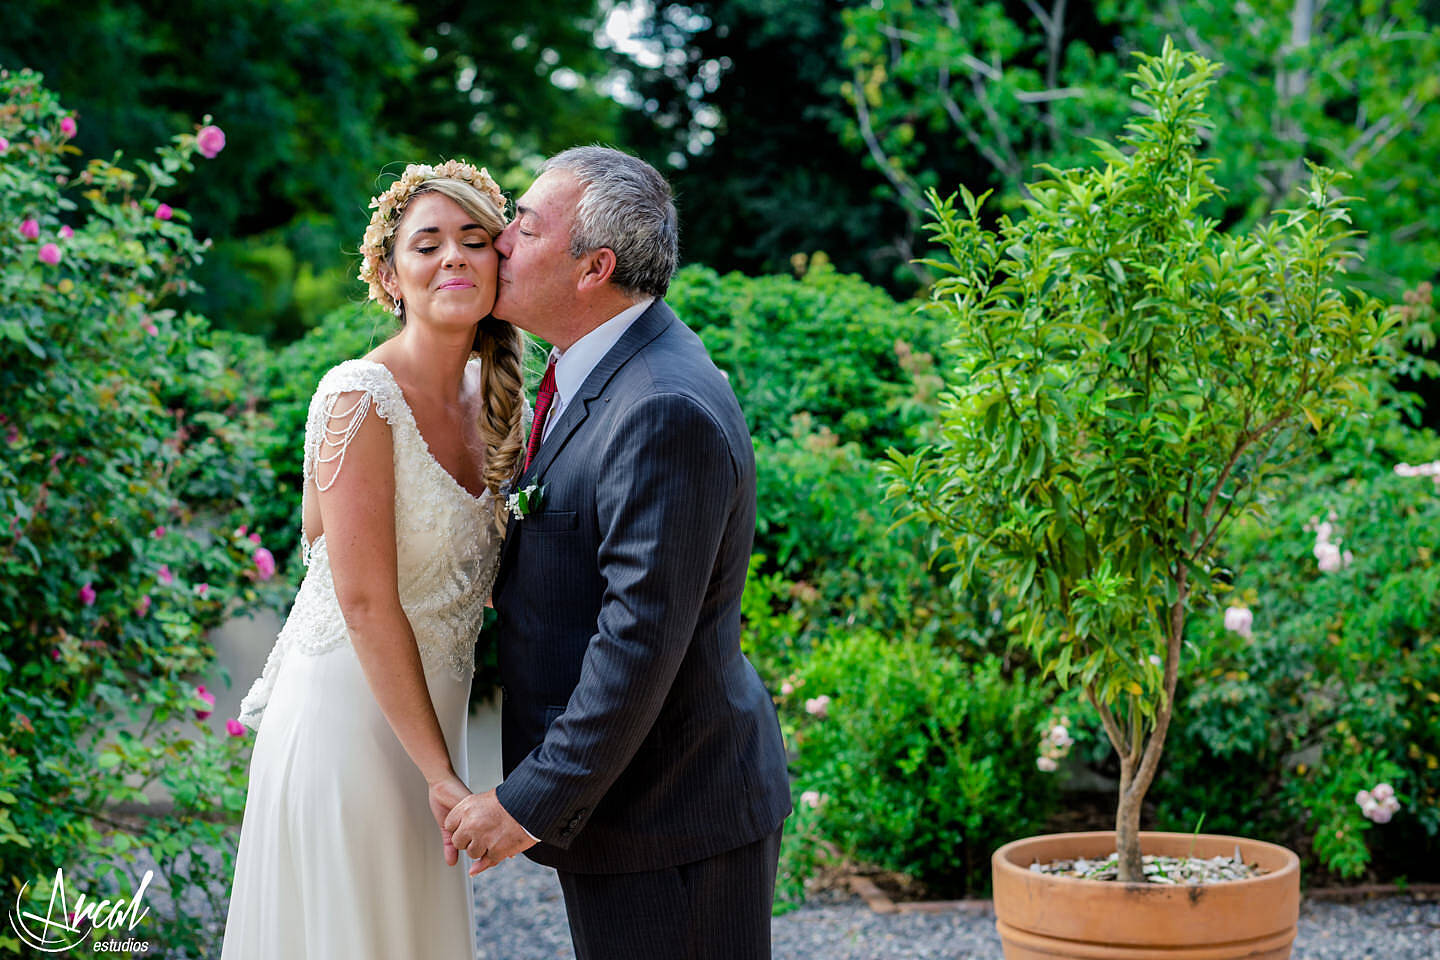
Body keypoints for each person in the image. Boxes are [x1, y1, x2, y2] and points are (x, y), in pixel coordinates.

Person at [444, 146, 791, 960]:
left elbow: (637, 639)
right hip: (633, 808)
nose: (498, 241)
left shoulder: (662, 406)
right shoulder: (587, 369)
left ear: (595, 267)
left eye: (523, 228)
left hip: (672, 817)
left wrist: (527, 801)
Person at [220, 160, 525, 960]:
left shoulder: (496, 403)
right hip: (348, 724)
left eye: (474, 239)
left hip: (433, 731)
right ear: (391, 275)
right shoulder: (358, 396)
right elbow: (359, 597)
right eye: (428, 244)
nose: (454, 257)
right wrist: (442, 777)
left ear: (502, 260)